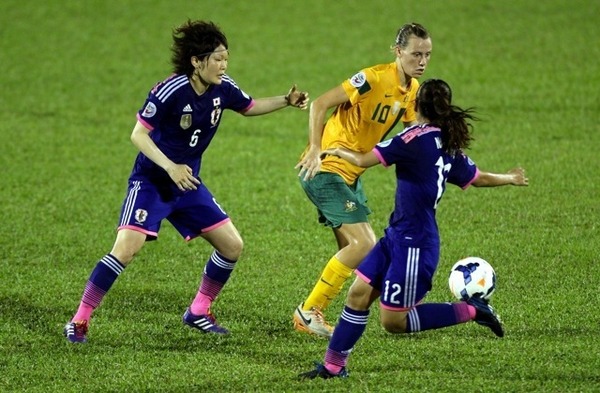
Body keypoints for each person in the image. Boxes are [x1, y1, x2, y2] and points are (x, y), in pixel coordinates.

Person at [63, 20, 309, 343]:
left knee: (232, 245)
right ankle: (79, 320)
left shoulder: (223, 87)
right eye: (217, 58)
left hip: (187, 184)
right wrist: (170, 167)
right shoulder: (169, 91)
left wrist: (284, 101)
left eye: (226, 58)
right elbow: (138, 135)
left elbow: (249, 107)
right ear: (196, 61)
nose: (224, 65)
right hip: (152, 181)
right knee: (126, 249)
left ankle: (198, 310)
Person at [298, 79, 529, 379]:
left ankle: (473, 310)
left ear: (416, 105)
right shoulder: (447, 143)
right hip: (397, 235)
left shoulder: (410, 139)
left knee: (393, 322)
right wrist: (509, 178)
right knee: (357, 295)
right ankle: (332, 366)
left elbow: (364, 159)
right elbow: (477, 177)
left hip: (414, 245)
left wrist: (336, 152)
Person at [293, 23, 432, 338]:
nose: (422, 61)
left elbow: (414, 134)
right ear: (398, 52)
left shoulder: (411, 91)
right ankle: (308, 311)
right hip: (326, 170)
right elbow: (319, 104)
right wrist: (315, 149)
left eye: (427, 55)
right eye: (415, 54)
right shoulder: (371, 79)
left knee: (364, 254)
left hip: (351, 177)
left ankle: (391, 304)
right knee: (365, 243)